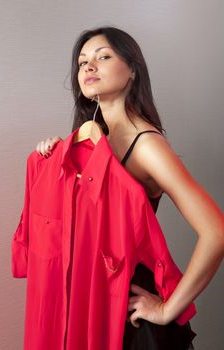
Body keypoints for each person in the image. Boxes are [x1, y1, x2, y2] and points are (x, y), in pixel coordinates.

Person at [34, 26, 224, 349]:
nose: (88, 67)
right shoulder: (91, 141)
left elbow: (216, 231)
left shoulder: (147, 145)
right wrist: (56, 161)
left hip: (129, 318)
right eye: (82, 62)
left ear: (132, 70)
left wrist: (166, 309)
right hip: (90, 306)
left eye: (103, 57)